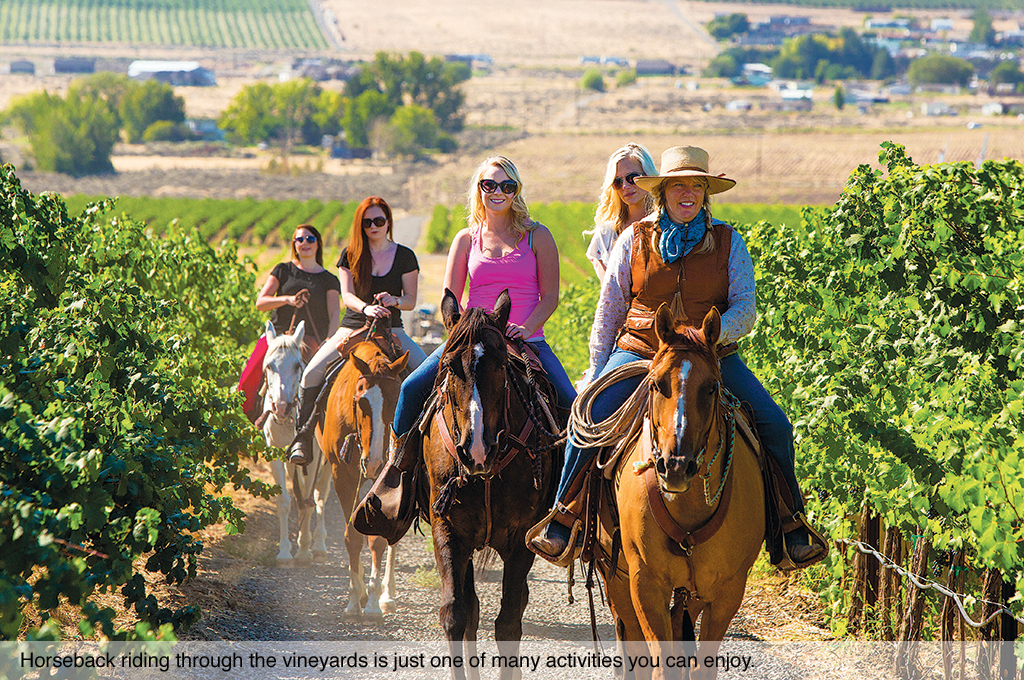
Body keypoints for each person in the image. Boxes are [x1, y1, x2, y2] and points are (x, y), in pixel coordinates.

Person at [529, 145, 825, 568]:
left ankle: (790, 527)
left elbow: (745, 306)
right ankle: (565, 518)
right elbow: (609, 311)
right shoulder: (633, 239)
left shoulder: (729, 242)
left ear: (706, 192)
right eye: (679, 185)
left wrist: (714, 332)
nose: (688, 193)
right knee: (588, 417)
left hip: (712, 357)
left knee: (775, 424)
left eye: (697, 186)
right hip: (640, 352)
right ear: (663, 191)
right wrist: (596, 372)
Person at [362, 155, 578, 525]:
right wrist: (461, 334)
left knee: (571, 406)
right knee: (413, 387)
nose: (498, 192)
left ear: (516, 190)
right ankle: (396, 480)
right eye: (489, 185)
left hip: (525, 339)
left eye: (507, 185)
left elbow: (551, 297)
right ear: (478, 189)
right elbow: (452, 299)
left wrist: (526, 327)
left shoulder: (537, 235)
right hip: (472, 340)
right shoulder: (466, 239)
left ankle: (568, 504)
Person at [288, 196, 426, 465]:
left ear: (388, 222)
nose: (373, 226)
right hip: (352, 327)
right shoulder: (350, 254)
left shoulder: (405, 256)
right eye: (367, 222)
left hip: (393, 328)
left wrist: (394, 300)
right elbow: (347, 296)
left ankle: (422, 442)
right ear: (360, 225)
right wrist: (367, 309)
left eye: (379, 221)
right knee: (311, 373)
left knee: (427, 375)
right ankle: (302, 438)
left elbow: (410, 300)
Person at [584, 143, 658, 281]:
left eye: (632, 178)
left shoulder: (669, 225)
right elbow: (608, 293)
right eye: (617, 181)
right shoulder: (607, 234)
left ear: (648, 176)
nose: (625, 186)